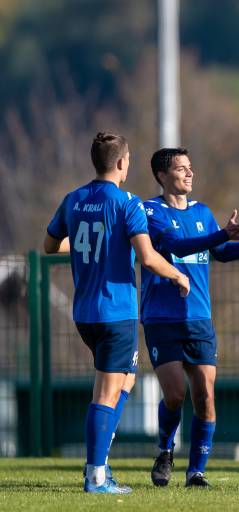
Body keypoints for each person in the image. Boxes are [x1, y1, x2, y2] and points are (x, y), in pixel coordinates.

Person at [44, 132, 190, 494]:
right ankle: (96, 475)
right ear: (122, 163)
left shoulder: (73, 199)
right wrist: (177, 275)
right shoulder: (128, 203)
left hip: (85, 312)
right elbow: (148, 257)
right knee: (106, 395)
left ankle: (99, 464)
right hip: (115, 311)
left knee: (124, 382)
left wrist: (91, 245)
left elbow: (50, 245)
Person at [141, 147, 239, 488]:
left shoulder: (202, 211)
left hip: (199, 318)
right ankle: (165, 451)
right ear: (161, 176)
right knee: (175, 394)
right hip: (161, 317)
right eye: (181, 168)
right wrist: (222, 234)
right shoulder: (150, 211)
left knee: (205, 396)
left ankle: (196, 473)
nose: (190, 173)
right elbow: (176, 246)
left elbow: (221, 252)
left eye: (190, 167)